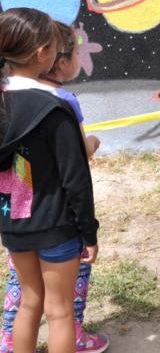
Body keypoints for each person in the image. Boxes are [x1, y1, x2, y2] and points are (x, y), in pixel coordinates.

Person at [0, 21, 108, 353]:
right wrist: (89, 232)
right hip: (56, 226)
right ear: (42, 53)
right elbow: (76, 181)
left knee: (30, 303)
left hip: (13, 226)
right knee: (59, 313)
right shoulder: (54, 108)